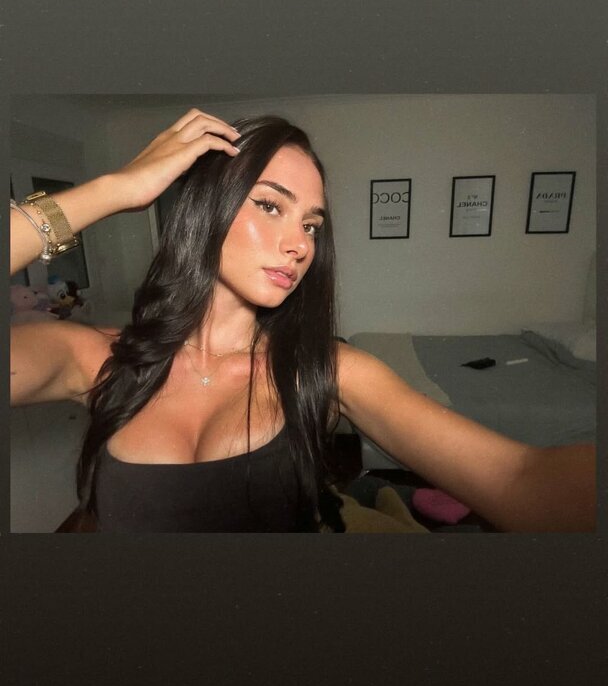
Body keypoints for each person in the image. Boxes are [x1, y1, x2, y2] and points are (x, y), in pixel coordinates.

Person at [10, 109, 596, 533]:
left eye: (311, 225)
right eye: (271, 205)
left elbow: (524, 482)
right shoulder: (96, 359)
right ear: (207, 210)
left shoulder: (326, 370)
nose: (301, 245)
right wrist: (118, 189)